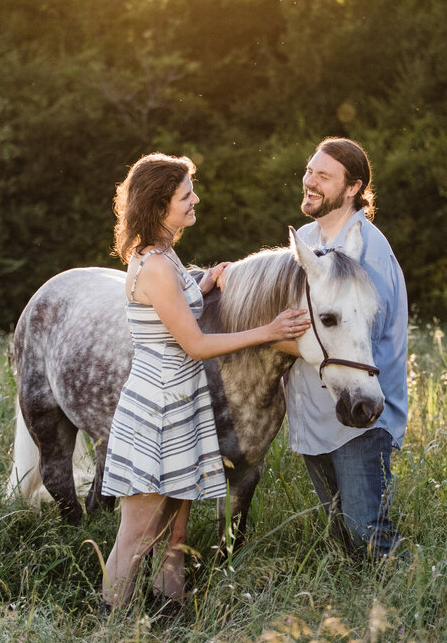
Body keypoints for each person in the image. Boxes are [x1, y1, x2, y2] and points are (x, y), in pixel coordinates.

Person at [100, 153, 311, 613]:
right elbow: (195, 344)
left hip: (180, 403)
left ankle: (168, 616)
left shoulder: (164, 255)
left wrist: (206, 283)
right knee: (138, 535)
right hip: (159, 406)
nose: (195, 200)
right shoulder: (155, 265)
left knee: (174, 529)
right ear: (159, 206)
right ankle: (108, 628)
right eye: (185, 195)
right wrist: (270, 331)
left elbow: (174, 304)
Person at [282, 137, 409, 559]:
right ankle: (362, 620)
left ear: (353, 187)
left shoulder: (368, 248)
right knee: (342, 540)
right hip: (314, 412)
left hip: (358, 413)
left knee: (370, 535)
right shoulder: (303, 238)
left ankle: (415, 611)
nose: (310, 182)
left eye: (323, 176)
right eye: (309, 171)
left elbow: (361, 337)